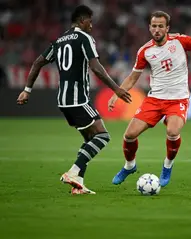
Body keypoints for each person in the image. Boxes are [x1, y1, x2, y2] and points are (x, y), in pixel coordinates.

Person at [16, 5, 131, 195]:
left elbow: (38, 62)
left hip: (63, 100)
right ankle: (73, 172)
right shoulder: (85, 38)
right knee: (102, 136)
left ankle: (78, 184)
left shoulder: (59, 40)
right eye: (90, 22)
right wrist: (116, 89)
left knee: (89, 139)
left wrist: (27, 90)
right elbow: (95, 67)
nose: (92, 26)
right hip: (77, 99)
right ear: (83, 21)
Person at [108, 10, 191, 187]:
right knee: (129, 135)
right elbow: (132, 78)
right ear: (149, 28)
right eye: (154, 26)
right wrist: (117, 93)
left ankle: (167, 165)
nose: (157, 29)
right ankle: (129, 165)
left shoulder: (180, 41)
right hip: (155, 99)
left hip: (178, 99)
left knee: (173, 132)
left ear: (167, 28)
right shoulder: (145, 51)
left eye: (161, 26)